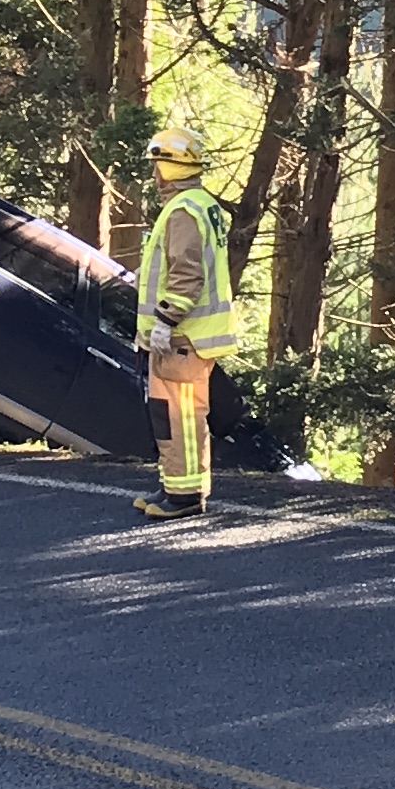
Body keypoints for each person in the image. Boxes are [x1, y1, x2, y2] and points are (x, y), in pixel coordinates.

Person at [134, 126, 242, 524]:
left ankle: (185, 496)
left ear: (170, 168)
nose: (154, 173)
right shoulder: (199, 205)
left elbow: (186, 276)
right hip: (183, 337)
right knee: (170, 415)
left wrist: (164, 321)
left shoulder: (183, 212)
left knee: (180, 417)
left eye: (158, 164)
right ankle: (174, 486)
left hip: (182, 337)